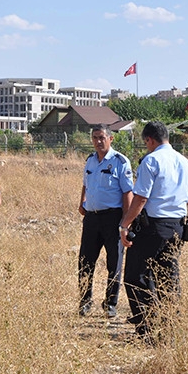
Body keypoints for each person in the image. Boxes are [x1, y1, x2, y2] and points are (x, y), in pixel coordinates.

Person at [119, 121, 188, 340]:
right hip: (178, 226)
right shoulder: (186, 163)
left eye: (146, 143)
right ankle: (169, 328)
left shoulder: (151, 160)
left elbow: (141, 198)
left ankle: (148, 329)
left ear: (149, 140)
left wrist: (125, 224)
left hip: (154, 226)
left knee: (136, 277)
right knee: (168, 278)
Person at [77, 125, 134, 317]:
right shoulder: (90, 161)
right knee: (85, 261)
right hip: (92, 218)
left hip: (112, 218)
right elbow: (86, 184)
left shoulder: (120, 161)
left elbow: (128, 192)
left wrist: (125, 223)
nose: (98, 141)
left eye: (101, 137)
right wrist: (82, 202)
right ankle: (85, 302)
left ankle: (110, 303)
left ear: (110, 139)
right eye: (94, 138)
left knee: (114, 262)